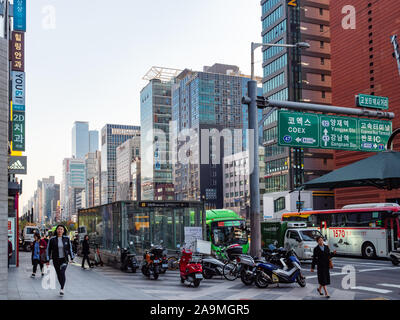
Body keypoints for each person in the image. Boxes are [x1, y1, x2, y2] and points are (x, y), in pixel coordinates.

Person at [46, 225, 74, 296]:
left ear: (63, 231)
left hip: (64, 259)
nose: (60, 230)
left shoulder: (67, 239)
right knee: (59, 274)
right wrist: (47, 259)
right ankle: (61, 286)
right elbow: (48, 250)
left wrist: (72, 257)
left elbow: (70, 248)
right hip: (56, 259)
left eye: (61, 229)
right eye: (58, 229)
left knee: (62, 272)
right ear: (56, 230)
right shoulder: (52, 240)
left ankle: (62, 288)